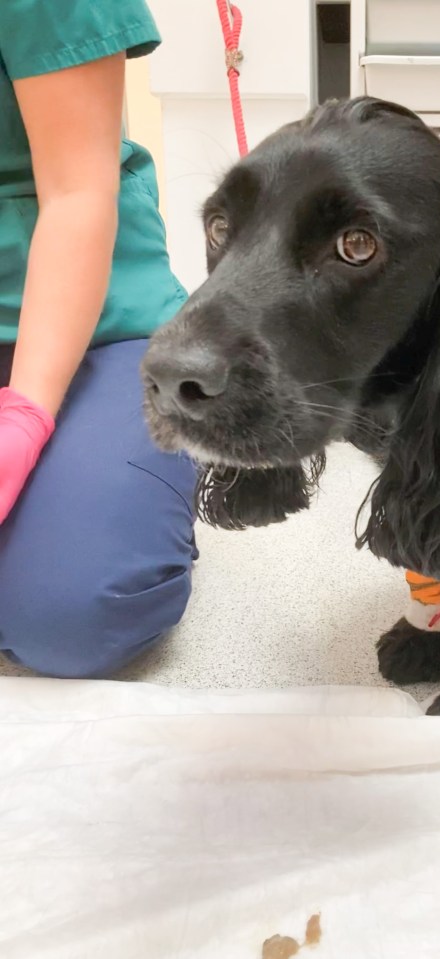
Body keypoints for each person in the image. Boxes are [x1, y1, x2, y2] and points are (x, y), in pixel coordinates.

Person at [0, 0, 198, 677]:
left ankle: (125, 481)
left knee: (72, 609)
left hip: (84, 318)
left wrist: (23, 417)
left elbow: (78, 194)